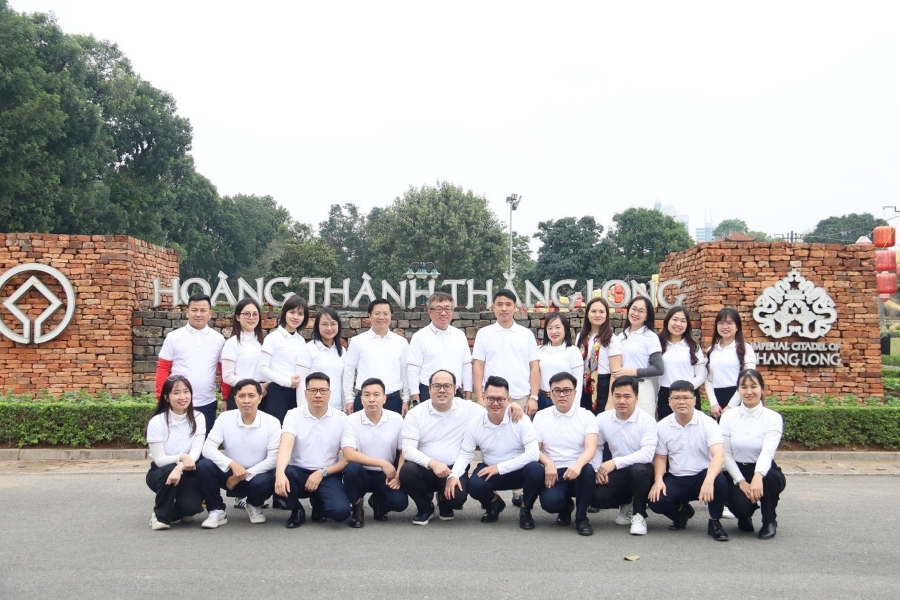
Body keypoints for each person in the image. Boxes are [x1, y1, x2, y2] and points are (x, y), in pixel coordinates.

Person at [400, 370, 523, 525]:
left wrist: (513, 405)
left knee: (457, 498)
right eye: (437, 386)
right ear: (429, 389)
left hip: (454, 469)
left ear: (455, 389)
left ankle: (445, 503)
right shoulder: (415, 414)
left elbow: (494, 406)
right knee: (407, 471)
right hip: (425, 468)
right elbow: (408, 449)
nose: (442, 390)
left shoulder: (468, 409)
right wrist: (432, 463)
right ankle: (425, 508)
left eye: (447, 386)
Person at [448, 376, 539, 523]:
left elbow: (533, 454)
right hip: (491, 470)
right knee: (474, 485)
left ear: (508, 399)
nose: (495, 403)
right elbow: (465, 454)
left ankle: (525, 510)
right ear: (483, 398)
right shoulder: (474, 424)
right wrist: (453, 475)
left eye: (500, 399)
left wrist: (499, 468)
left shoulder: (521, 420)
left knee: (536, 470)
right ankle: (495, 503)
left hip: (519, 470)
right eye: (491, 399)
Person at [648, 380, 730, 542]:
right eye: (676, 398)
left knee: (719, 481)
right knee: (655, 500)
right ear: (669, 401)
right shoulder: (662, 426)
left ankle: (714, 522)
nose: (681, 401)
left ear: (694, 400)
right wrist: (658, 480)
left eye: (686, 397)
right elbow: (661, 457)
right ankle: (682, 511)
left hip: (703, 475)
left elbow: (718, 455)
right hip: (677, 477)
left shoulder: (708, 423)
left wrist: (709, 480)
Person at [522, 372, 598, 536]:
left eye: (567, 390)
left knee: (587, 470)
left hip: (578, 469)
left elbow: (591, 448)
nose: (562, 395)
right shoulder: (541, 416)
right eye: (557, 391)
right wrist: (548, 463)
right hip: (554, 472)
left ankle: (581, 518)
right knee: (550, 503)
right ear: (550, 393)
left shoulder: (586, 416)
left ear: (575, 393)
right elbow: (534, 449)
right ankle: (566, 508)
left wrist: (578, 465)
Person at [197, 379, 280, 528]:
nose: (246, 400)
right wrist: (232, 464)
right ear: (235, 399)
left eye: (251, 396)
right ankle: (216, 510)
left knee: (272, 475)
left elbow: (274, 459)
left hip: (257, 475)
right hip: (230, 472)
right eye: (242, 396)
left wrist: (244, 474)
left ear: (260, 398)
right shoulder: (225, 418)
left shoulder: (272, 422)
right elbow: (207, 448)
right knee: (204, 465)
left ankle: (254, 504)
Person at [274, 372, 351, 528]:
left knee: (341, 513)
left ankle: (318, 503)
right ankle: (297, 510)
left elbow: (349, 457)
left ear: (330, 393)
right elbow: (286, 446)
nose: (318, 395)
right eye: (313, 390)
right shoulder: (293, 415)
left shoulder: (342, 418)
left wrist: (322, 473)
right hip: (298, 472)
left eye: (323, 390)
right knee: (281, 472)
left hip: (327, 473)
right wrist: (279, 474)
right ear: (305, 393)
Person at [721, 369, 786, 539]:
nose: (749, 391)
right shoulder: (728, 416)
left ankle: (769, 520)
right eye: (744, 387)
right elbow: (725, 453)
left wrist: (758, 476)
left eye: (753, 386)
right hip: (736, 470)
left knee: (770, 479)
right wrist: (741, 481)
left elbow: (767, 452)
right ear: (738, 390)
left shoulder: (773, 418)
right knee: (739, 504)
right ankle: (744, 515)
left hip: (764, 470)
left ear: (762, 389)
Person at [589, 376, 657, 535]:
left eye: (627, 396)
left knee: (637, 470)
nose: (622, 401)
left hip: (644, 470)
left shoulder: (647, 421)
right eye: (617, 396)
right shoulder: (603, 419)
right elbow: (597, 446)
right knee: (596, 497)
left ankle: (639, 515)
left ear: (636, 398)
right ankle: (627, 503)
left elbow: (647, 454)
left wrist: (614, 462)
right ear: (612, 397)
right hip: (620, 470)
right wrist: (597, 469)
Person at [342, 378, 409, 527]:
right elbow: (349, 454)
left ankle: (378, 501)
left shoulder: (397, 419)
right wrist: (381, 463)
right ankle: (357, 507)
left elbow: (403, 451)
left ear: (384, 398)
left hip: (386, 474)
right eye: (367, 395)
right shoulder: (351, 420)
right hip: (361, 472)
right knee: (351, 469)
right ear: (361, 399)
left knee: (400, 503)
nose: (371, 399)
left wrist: (398, 474)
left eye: (376, 395)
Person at [156, 293, 225, 431]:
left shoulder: (218, 339)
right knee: (178, 443)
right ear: (187, 312)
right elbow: (163, 368)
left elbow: (223, 371)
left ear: (210, 314)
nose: (198, 314)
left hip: (207, 403)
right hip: (178, 403)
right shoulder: (174, 337)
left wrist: (226, 398)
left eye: (203, 310)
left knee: (205, 443)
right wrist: (161, 397)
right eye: (194, 310)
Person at [145, 375, 206, 530]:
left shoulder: (199, 417)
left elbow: (196, 452)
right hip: (161, 473)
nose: (182, 397)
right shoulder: (157, 422)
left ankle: (175, 511)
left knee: (191, 508)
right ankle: (160, 517)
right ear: (166, 397)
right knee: (169, 470)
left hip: (188, 471)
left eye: (186, 392)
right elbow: (159, 460)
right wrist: (181, 457)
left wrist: (180, 467)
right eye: (176, 393)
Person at [472, 289, 540, 414]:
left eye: (508, 304)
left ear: (515, 307)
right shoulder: (484, 334)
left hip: (521, 397)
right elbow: (478, 366)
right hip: (492, 398)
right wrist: (479, 397)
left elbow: (534, 366)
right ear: (493, 307)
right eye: (499, 304)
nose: (504, 308)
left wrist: (533, 397)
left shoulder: (526, 334)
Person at [342, 299, 410, 415]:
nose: (381, 317)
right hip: (365, 400)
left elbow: (405, 372)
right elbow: (349, 370)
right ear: (370, 315)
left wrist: (406, 399)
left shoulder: (401, 342)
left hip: (393, 400)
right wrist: (348, 399)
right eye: (377, 313)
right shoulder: (358, 341)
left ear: (391, 316)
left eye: (385, 313)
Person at [407, 292, 473, 403]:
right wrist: (415, 399)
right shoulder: (420, 337)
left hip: (454, 392)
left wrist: (468, 396)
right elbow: (413, 369)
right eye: (438, 309)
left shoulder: (459, 335)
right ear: (429, 312)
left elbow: (466, 366)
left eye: (448, 309)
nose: (443, 313)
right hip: (428, 393)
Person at [258, 296, 311, 424]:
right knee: (277, 429)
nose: (296, 317)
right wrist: (286, 382)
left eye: (300, 314)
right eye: (292, 312)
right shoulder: (273, 338)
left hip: (297, 393)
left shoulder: (301, 341)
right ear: (285, 313)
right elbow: (262, 368)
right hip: (277, 392)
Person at [611, 296, 663, 417]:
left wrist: (632, 372)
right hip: (621, 389)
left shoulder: (650, 337)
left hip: (642, 389)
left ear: (647, 316)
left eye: (641, 311)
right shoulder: (620, 337)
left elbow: (659, 368)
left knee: (644, 424)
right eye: (633, 309)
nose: (636, 313)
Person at [705, 308, 758, 419]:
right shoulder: (711, 350)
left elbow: (748, 379)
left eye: (729, 323)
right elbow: (709, 380)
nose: (725, 326)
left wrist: (731, 406)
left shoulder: (745, 349)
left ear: (737, 327)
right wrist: (713, 403)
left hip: (740, 397)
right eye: (721, 323)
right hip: (718, 401)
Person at [657, 306, 706, 420]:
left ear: (687, 325)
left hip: (689, 394)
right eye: (675, 319)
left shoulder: (693, 346)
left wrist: (686, 389)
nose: (678, 324)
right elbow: (655, 376)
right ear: (667, 321)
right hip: (666, 395)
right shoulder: (658, 344)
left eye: (683, 321)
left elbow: (701, 375)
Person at [575, 297, 622, 415]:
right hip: (583, 384)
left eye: (601, 312)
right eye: (593, 311)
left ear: (606, 315)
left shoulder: (612, 339)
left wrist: (610, 401)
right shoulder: (581, 336)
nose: (597, 315)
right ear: (587, 314)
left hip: (602, 385)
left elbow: (616, 373)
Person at [220, 299, 265, 410]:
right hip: (241, 395)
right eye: (246, 314)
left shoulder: (265, 342)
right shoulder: (232, 343)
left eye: (255, 314)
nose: (251, 317)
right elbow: (227, 376)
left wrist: (265, 386)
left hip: (263, 395)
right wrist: (252, 387)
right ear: (237, 317)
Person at [537, 313, 584, 411]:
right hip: (543, 400)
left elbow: (578, 382)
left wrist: (575, 407)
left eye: (557, 327)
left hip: (564, 400)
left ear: (565, 329)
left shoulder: (573, 351)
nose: (553, 331)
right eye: (550, 328)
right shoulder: (539, 350)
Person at [308, 307, 346, 412]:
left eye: (333, 324)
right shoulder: (309, 349)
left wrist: (345, 405)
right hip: (314, 409)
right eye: (324, 324)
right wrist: (303, 409)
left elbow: (343, 381)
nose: (329, 328)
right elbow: (302, 382)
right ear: (317, 326)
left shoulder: (342, 350)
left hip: (337, 408)